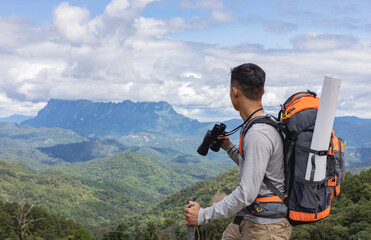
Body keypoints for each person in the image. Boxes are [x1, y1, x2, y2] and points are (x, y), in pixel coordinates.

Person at [184, 63, 292, 240]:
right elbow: (258, 167)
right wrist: (229, 146)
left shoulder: (258, 133)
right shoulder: (263, 123)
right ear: (262, 92)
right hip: (251, 218)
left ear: (235, 92)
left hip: (265, 229)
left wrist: (202, 215)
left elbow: (246, 193)